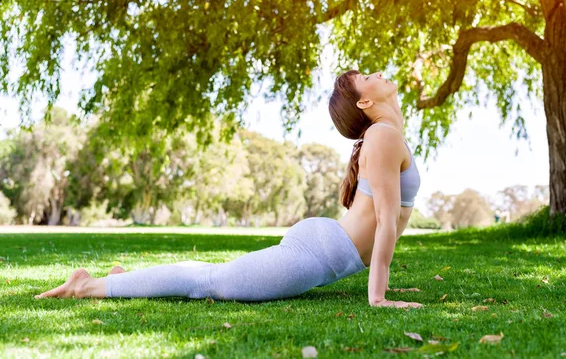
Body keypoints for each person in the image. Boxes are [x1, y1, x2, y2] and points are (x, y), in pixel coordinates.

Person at [34, 70, 423, 309]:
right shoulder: (384, 136)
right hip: (315, 257)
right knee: (209, 282)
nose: (379, 73)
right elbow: (386, 221)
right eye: (368, 77)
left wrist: (380, 285)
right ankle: (87, 286)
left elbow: (381, 218)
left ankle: (125, 279)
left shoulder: (385, 136)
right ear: (366, 100)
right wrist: (379, 297)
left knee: (210, 276)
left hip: (324, 247)